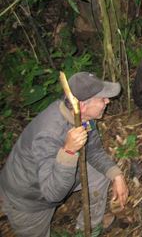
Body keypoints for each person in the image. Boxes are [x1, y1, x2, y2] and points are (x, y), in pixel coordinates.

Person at [0, 72, 129, 236]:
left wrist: (116, 175)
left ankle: (87, 229)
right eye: (102, 99)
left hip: (56, 177)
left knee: (100, 174)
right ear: (82, 105)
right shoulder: (48, 134)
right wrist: (69, 152)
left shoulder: (83, 118)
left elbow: (94, 151)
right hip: (29, 199)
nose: (107, 101)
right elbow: (52, 194)